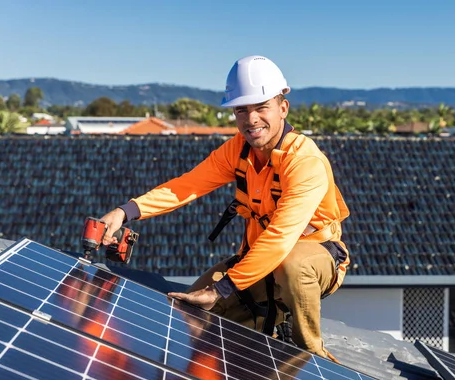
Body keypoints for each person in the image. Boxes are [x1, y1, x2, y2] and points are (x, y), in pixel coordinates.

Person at [99, 55, 350, 361]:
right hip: (259, 259)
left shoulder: (304, 161)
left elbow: (281, 237)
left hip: (312, 259)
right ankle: (265, 327)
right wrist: (126, 211)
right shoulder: (238, 150)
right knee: (189, 312)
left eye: (261, 107)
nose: (251, 119)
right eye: (241, 109)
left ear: (283, 108)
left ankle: (310, 356)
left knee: (292, 266)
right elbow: (187, 185)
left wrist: (222, 288)